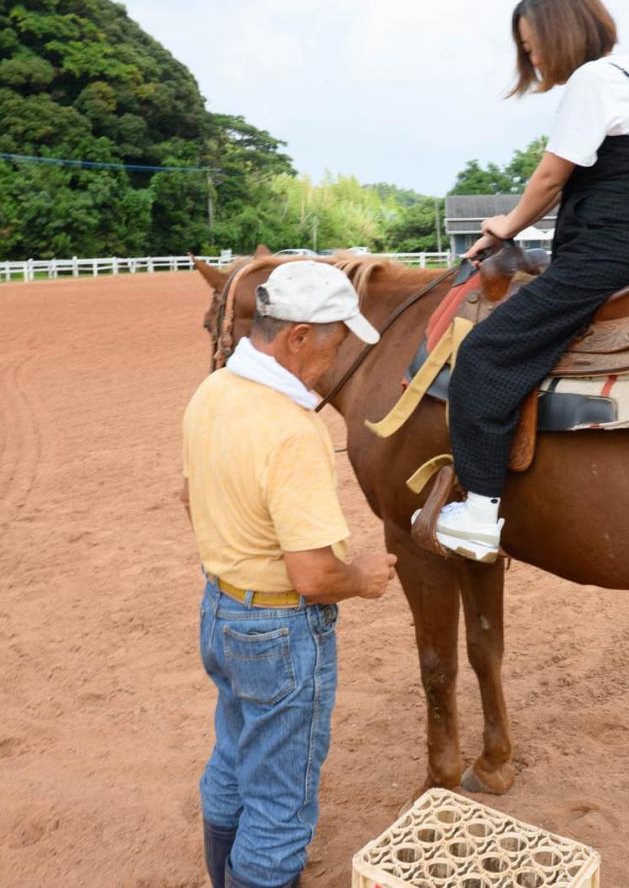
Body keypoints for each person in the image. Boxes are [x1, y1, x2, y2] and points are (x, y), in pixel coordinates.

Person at [433, 0, 629, 562]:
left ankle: (477, 514)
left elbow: (551, 178)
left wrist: (508, 222)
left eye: (532, 42)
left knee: (485, 354)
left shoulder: (593, 81)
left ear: (560, 29)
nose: (532, 56)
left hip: (608, 254)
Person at [182, 260, 399, 888]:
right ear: (298, 336)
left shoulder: (212, 392)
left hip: (220, 609)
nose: (338, 357)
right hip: (279, 630)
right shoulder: (293, 429)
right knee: (282, 806)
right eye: (336, 338)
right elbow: (313, 575)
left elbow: (189, 496)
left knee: (232, 754)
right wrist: (361, 576)